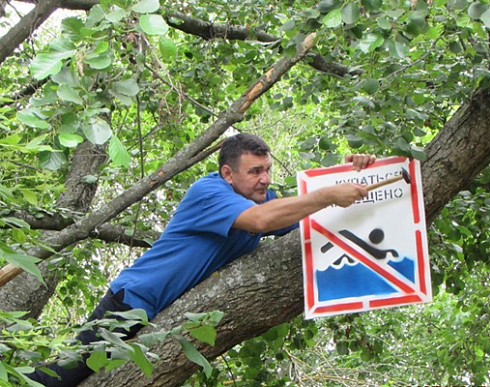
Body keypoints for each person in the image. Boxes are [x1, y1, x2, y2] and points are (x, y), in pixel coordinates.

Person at [27, 133, 375, 386]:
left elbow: (300, 213)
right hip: (132, 301)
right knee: (59, 377)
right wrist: (328, 193)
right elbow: (264, 221)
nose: (265, 179)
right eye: (255, 171)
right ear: (228, 174)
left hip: (159, 315)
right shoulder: (210, 192)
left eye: (267, 169)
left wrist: (348, 176)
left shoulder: (260, 200)